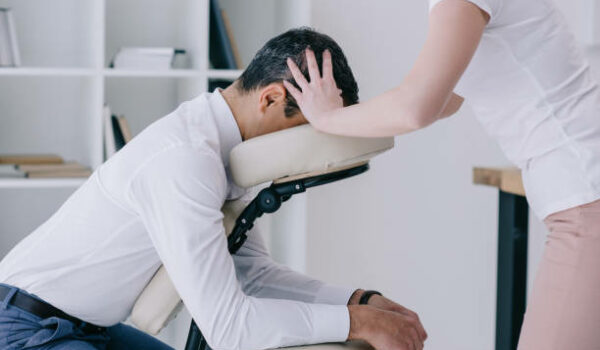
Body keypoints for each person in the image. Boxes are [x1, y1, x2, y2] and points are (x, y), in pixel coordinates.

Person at [0, 28, 427, 350]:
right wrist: (356, 324)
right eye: (313, 128)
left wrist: (358, 302)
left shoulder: (225, 153)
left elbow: (253, 275)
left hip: (88, 326)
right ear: (272, 99)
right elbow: (230, 328)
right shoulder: (185, 160)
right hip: (24, 328)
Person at [284, 1, 600, 349]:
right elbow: (445, 99)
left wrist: (328, 118)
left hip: (586, 197)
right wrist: (341, 119)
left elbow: (416, 107)